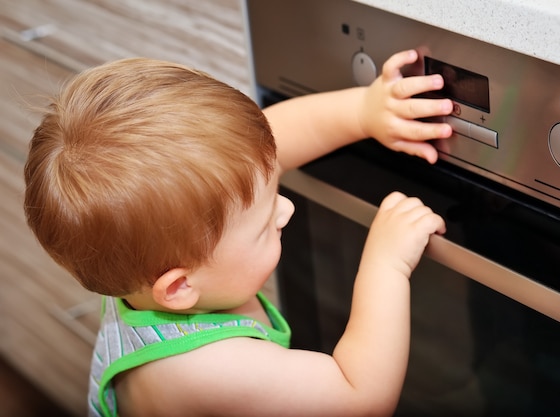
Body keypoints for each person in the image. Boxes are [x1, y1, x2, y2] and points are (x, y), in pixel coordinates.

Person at [23, 49, 452, 417]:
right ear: (179, 287)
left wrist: (361, 110)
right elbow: (361, 398)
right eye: (264, 225)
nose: (286, 210)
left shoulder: (135, 253)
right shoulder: (206, 368)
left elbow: (269, 148)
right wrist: (385, 265)